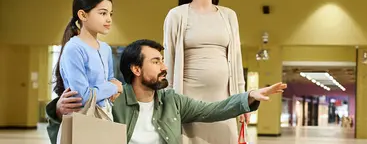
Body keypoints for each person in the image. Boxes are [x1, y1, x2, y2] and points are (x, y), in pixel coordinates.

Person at [45, 39, 287, 144]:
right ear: (136, 68)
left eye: (162, 60)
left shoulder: (172, 101)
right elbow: (76, 131)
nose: (164, 67)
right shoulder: (113, 102)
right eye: (156, 61)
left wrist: (249, 97)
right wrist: (56, 110)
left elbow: (212, 110)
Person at [163, 0, 246, 143]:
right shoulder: (176, 15)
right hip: (189, 99)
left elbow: (237, 60)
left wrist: (242, 101)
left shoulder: (229, 15)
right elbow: (168, 60)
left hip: (224, 98)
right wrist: (167, 103)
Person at [53, 0, 123, 121]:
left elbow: (111, 81)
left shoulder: (106, 49)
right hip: (82, 120)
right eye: (103, 13)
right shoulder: (74, 48)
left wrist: (113, 88)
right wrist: (114, 87)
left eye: (110, 14)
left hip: (105, 116)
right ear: (83, 15)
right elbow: (82, 96)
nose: (109, 19)